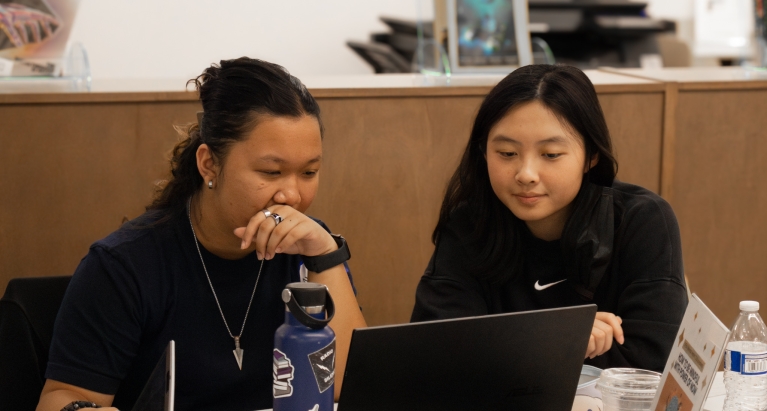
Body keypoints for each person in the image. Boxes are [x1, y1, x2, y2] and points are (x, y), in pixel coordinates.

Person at [36, 57, 366, 411]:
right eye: (271, 172)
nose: (292, 195)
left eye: (309, 172)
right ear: (209, 163)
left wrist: (325, 253)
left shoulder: (310, 248)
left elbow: (349, 388)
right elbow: (60, 398)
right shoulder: (125, 265)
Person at [410, 64, 687, 372]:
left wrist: (510, 349)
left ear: (591, 156)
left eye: (551, 154)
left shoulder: (642, 221)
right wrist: (557, 339)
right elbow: (434, 353)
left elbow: (651, 364)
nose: (526, 174)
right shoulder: (469, 225)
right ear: (483, 153)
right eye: (506, 153)